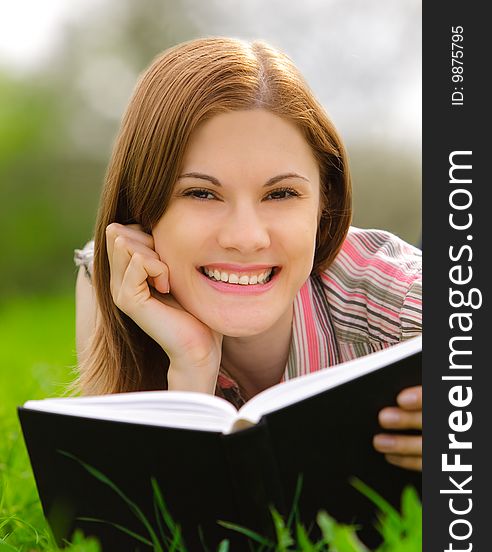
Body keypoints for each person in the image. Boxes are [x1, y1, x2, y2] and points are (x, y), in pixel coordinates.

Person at [74, 37, 422, 472]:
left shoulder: (393, 292)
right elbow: (140, 520)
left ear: (324, 205)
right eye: (201, 193)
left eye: (280, 194)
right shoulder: (108, 284)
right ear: (140, 206)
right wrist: (191, 370)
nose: (246, 237)